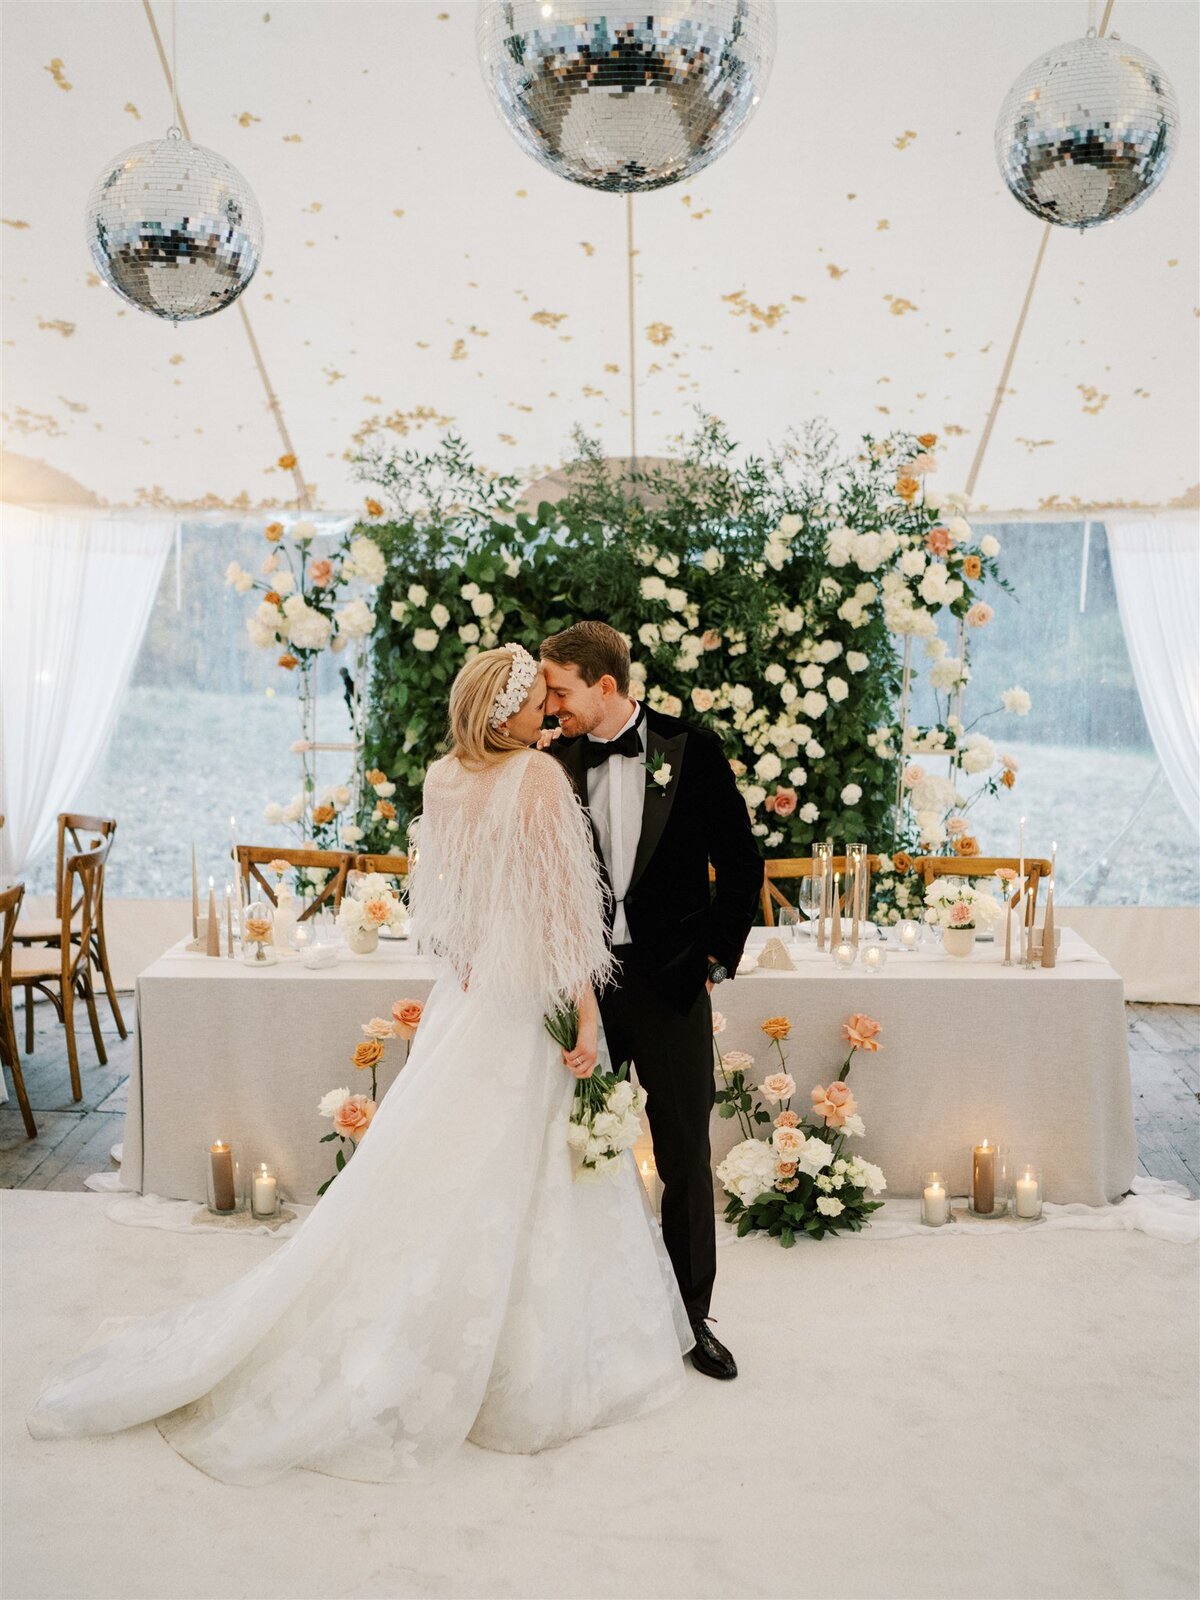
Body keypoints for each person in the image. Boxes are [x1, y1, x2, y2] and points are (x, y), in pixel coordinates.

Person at [26, 644, 692, 1485]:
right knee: (522, 1160)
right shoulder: (536, 779)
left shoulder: (443, 779)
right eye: (534, 705)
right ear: (501, 714)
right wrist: (587, 1014)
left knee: (451, 1160)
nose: (547, 717)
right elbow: (565, 912)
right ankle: (524, 1361)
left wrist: (470, 960)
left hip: (470, 989)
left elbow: (440, 904)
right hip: (525, 999)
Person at [540, 622, 762, 1381]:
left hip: (671, 984)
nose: (550, 707)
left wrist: (713, 963)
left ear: (606, 686)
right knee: (577, 1151)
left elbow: (740, 862)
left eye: (562, 691)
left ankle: (692, 1318)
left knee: (684, 1157)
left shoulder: (689, 748)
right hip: (583, 987)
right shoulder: (552, 763)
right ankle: (590, 1313)